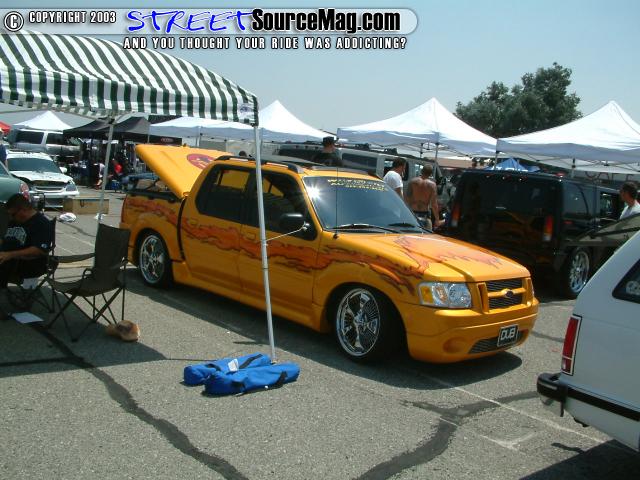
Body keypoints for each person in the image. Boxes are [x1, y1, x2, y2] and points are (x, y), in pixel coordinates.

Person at [0, 194, 53, 290]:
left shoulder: (41, 224)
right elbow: (6, 239)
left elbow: (38, 250)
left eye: (13, 214)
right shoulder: (15, 221)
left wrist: (10, 254)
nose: (11, 217)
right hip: (6, 258)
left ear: (23, 209)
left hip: (25, 263)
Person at [404, 164, 443, 230]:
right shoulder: (432, 185)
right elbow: (434, 204)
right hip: (425, 213)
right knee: (426, 234)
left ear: (421, 171)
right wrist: (437, 219)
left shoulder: (412, 182)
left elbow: (406, 198)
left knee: (410, 233)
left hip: (412, 212)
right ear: (430, 174)